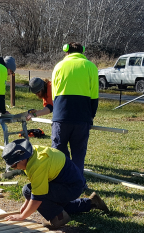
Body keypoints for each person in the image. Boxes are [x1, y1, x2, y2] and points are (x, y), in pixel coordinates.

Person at [2, 139, 109, 229]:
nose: (15, 168)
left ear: (21, 159)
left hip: (71, 187)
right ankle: (91, 203)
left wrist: (21, 216)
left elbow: (37, 198)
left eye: (14, 166)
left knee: (36, 195)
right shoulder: (31, 153)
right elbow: (35, 185)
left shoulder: (37, 164)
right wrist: (25, 205)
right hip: (66, 183)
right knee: (30, 191)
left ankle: (59, 217)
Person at [51, 42, 98, 176]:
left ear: (66, 51)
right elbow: (94, 95)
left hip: (61, 115)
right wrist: (91, 117)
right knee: (78, 152)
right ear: (82, 51)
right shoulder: (91, 67)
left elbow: (54, 94)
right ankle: (77, 182)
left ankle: (60, 178)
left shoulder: (59, 66)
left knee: (58, 151)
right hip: (82, 116)